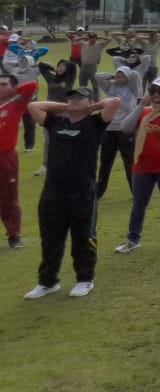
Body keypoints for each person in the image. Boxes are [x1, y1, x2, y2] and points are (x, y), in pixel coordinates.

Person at [24, 89, 123, 298]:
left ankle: (84, 279)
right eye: (70, 98)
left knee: (83, 236)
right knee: (50, 238)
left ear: (90, 102)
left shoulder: (95, 124)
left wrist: (90, 108)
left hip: (82, 191)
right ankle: (48, 281)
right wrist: (67, 108)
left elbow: (114, 102)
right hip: (53, 190)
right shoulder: (55, 123)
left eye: (79, 97)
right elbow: (33, 107)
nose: (73, 101)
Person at [114, 77, 160, 254]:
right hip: (143, 166)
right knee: (138, 204)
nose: (155, 94)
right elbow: (125, 127)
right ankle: (133, 239)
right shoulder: (145, 112)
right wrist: (140, 106)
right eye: (152, 91)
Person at [0, 72, 39, 248]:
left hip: (6, 157)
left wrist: (12, 92)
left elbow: (31, 85)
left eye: (3, 84)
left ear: (12, 87)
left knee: (8, 197)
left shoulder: (16, 104)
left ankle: (14, 235)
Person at [94, 63, 143, 198]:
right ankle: (99, 192)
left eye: (122, 76)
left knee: (128, 161)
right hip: (109, 128)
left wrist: (126, 73)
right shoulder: (111, 87)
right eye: (118, 76)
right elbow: (98, 76)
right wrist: (112, 76)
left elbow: (134, 75)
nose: (119, 79)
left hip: (125, 128)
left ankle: (136, 191)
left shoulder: (133, 89)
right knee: (105, 162)